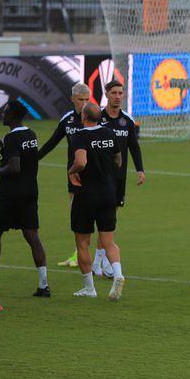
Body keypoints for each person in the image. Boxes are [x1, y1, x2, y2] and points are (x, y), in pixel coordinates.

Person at [0, 100, 49, 297]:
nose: (3, 115)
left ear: (12, 115)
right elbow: (19, 156)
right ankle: (43, 285)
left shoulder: (13, 137)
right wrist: (0, 143)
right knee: (32, 237)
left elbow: (14, 167)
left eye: (5, 112)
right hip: (30, 192)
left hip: (10, 195)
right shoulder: (31, 134)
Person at [67, 104, 126, 301]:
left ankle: (89, 287)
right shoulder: (109, 133)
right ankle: (117, 274)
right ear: (99, 116)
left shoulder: (79, 136)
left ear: (83, 116)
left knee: (82, 241)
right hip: (109, 193)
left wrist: (72, 171)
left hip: (87, 195)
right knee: (108, 241)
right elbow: (118, 160)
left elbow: (81, 162)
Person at [95, 79, 146, 275]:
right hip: (99, 177)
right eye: (114, 93)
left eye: (120, 93)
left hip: (119, 179)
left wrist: (140, 169)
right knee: (105, 218)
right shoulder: (98, 118)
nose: (117, 96)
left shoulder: (127, 120)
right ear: (106, 94)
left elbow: (134, 146)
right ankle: (104, 263)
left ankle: (99, 263)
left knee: (110, 218)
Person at [38, 83, 90, 268]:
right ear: (72, 99)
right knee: (76, 215)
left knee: (94, 215)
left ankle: (97, 258)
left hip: (93, 174)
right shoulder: (68, 120)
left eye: (87, 99)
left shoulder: (96, 117)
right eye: (80, 99)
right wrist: (34, 159)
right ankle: (78, 255)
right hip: (73, 174)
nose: (84, 103)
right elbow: (52, 142)